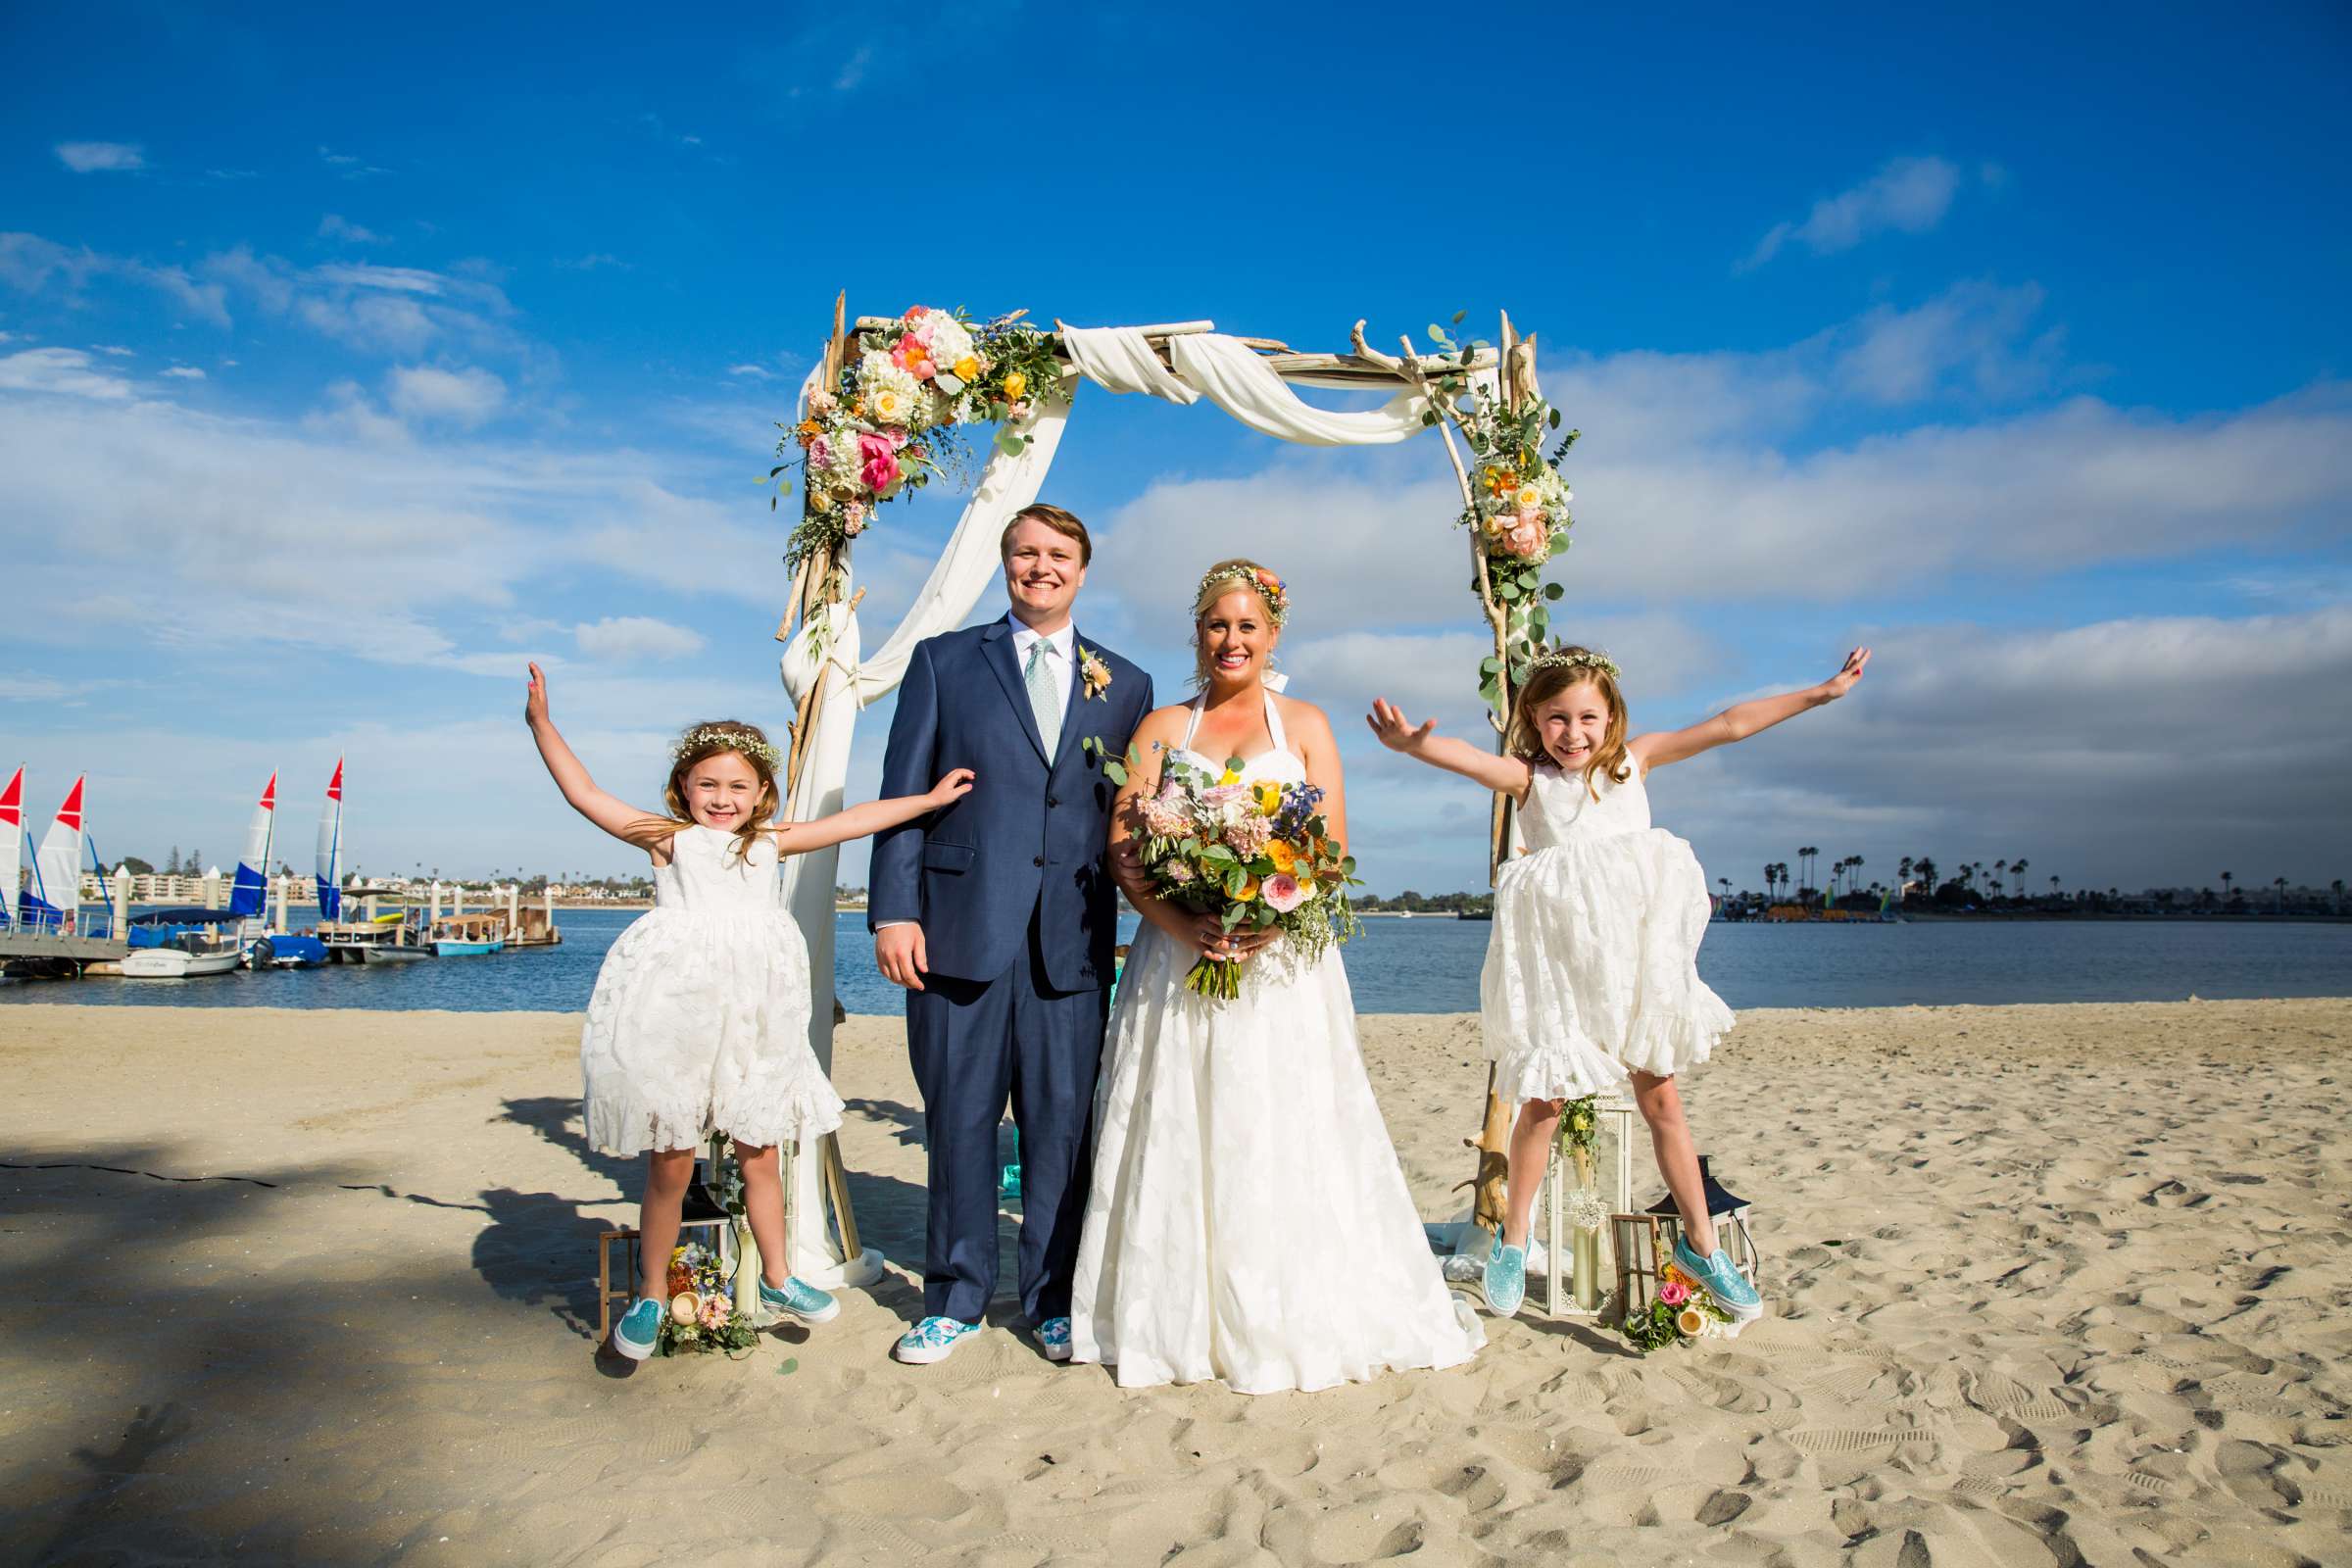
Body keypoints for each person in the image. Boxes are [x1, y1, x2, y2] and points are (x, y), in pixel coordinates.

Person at [1070, 560, 1485, 1394]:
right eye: (1218, 625)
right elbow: (1123, 847)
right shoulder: (1158, 728)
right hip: (1177, 957)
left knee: (1283, 1120)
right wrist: (1182, 918)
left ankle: (1289, 1304)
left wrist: (1268, 914)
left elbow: (1326, 850)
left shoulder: (1304, 724)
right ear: (1198, 634)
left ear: (1273, 635)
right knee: (1177, 1120)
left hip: (1282, 965)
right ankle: (1176, 1311)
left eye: (1248, 626)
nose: (1232, 640)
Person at [1368, 643, 1870, 1323]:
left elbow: (1729, 723)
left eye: (1587, 718)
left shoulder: (1637, 763)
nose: (1572, 734)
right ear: (1533, 720)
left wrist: (1820, 693)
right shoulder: (1529, 780)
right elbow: (1469, 758)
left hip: (1633, 965)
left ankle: (1700, 1244)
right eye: (1556, 719)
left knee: (1661, 1099)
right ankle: (1515, 1241)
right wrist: (1411, 747)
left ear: (1613, 719)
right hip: (1563, 966)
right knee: (1542, 1104)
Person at [524, 662, 972, 1361]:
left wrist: (926, 801)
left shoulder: (768, 844)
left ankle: (779, 1275)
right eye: (707, 784)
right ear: (683, 789)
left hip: (754, 1020)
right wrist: (542, 725)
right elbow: (585, 794)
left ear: (762, 792)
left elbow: (853, 820)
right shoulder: (666, 840)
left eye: (737, 785)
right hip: (679, 1016)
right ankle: (649, 1294)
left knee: (760, 1153)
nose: (721, 797)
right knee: (671, 1162)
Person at [869, 504, 1154, 1365]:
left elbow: (1131, 816)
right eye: (1026, 552)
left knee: (1061, 1126)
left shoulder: (1127, 683)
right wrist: (894, 910)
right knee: (956, 1120)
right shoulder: (944, 661)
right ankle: (954, 1298)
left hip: (1070, 941)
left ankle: (1053, 1299)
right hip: (955, 935)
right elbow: (901, 792)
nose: (1042, 566)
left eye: (1059, 554)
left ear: (1082, 568)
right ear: (1006, 564)